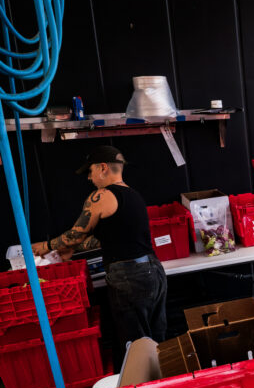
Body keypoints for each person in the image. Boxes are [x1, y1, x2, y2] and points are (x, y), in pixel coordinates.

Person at [32, 145, 167, 369]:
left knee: (135, 345)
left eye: (90, 171)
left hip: (129, 277)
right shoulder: (132, 195)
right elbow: (111, 238)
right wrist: (73, 249)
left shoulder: (102, 195)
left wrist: (45, 246)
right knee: (156, 341)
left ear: (103, 168)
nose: (89, 178)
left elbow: (76, 233)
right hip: (153, 271)